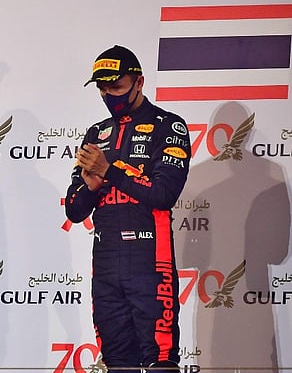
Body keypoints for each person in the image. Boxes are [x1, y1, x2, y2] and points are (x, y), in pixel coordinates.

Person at [65, 45, 190, 372]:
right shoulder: (96, 134)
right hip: (105, 261)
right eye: (103, 89)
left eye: (116, 87)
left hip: (149, 258)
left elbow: (164, 193)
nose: (109, 95)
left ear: (139, 82)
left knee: (160, 361)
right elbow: (74, 211)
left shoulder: (169, 126)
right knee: (118, 362)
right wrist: (91, 185)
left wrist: (110, 171)